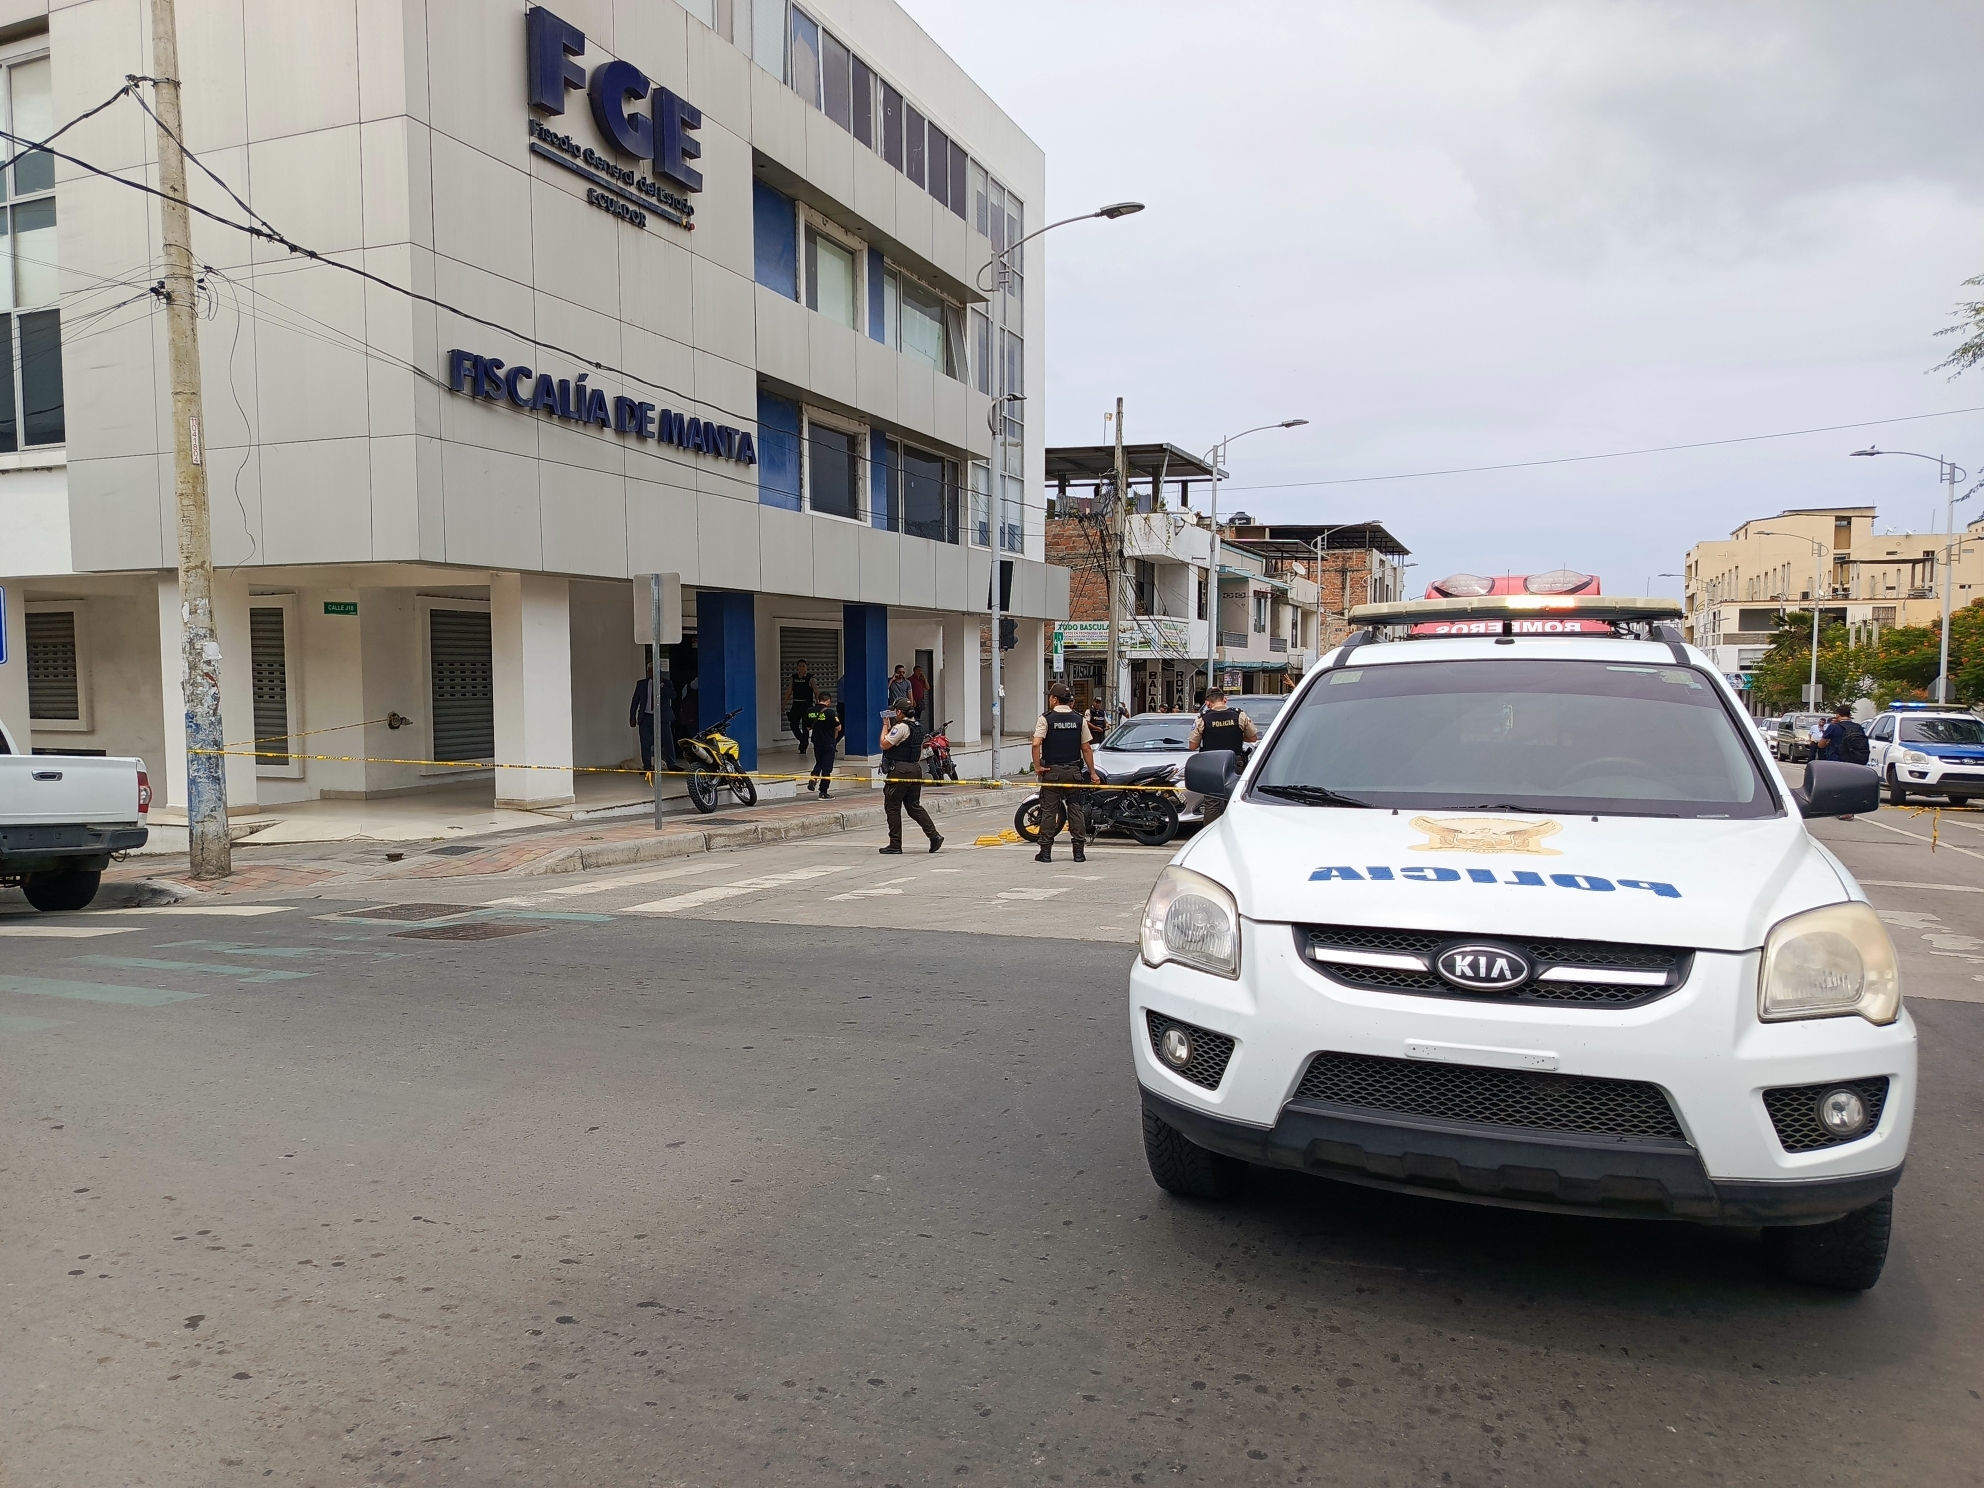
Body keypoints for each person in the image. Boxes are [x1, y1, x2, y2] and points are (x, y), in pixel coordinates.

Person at [1032, 680, 1100, 864]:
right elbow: (1086, 749)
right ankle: (1079, 852)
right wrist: (1093, 773)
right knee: (1075, 809)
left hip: (1051, 771)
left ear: (1054, 700)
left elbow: (1036, 743)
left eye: (1050, 697)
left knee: (1048, 811)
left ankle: (1045, 852)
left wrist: (1038, 767)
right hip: (1073, 772)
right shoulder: (1080, 720)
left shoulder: (1045, 718)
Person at [878, 697, 943, 854]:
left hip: (900, 770)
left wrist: (885, 725)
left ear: (899, 712)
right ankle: (934, 836)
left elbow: (883, 744)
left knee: (892, 807)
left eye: (895, 711)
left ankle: (895, 844)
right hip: (915, 768)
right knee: (913, 806)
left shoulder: (900, 727)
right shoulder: (918, 726)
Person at [1187, 688, 1259, 824]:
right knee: (1233, 800)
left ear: (1208, 703)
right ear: (1224, 699)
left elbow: (1192, 746)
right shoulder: (1239, 715)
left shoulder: (1202, 718)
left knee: (1212, 802)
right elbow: (1253, 737)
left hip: (1211, 765)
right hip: (1234, 763)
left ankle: (1212, 835)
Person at [629, 662, 677, 776]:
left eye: (655, 671)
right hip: (646, 717)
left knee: (667, 741)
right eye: (650, 671)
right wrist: (632, 717)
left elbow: (673, 695)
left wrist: (662, 685)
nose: (652, 673)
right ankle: (647, 766)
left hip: (662, 718)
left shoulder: (667, 683)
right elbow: (635, 701)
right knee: (645, 743)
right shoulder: (641, 684)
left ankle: (671, 764)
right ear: (648, 672)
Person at [805, 689, 843, 798]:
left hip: (817, 742)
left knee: (819, 762)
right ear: (828, 701)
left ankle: (813, 778)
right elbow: (839, 728)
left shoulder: (810, 711)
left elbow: (808, 727)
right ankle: (823, 791)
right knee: (826, 768)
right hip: (829, 743)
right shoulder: (830, 713)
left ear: (818, 699)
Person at [786, 660, 816, 753]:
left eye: (803, 666)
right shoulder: (794, 678)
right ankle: (803, 740)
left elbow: (816, 691)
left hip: (807, 705)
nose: (802, 667)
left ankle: (803, 747)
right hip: (796, 704)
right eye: (800, 666)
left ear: (806, 667)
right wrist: (784, 703)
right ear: (797, 667)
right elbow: (789, 691)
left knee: (805, 726)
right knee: (793, 724)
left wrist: (819, 703)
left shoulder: (811, 678)